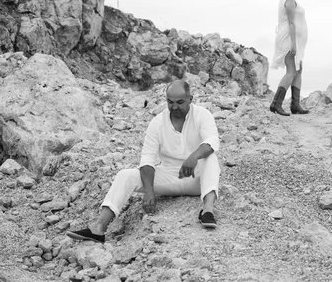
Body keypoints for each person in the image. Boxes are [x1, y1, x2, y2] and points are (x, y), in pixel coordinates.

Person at [66, 80, 221, 243]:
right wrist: (149, 191)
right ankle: (98, 228)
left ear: (190, 98)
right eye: (170, 102)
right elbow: (147, 158)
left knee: (211, 158)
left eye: (180, 102)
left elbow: (213, 141)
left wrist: (194, 157)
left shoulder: (202, 115)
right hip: (169, 177)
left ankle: (207, 211)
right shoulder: (157, 123)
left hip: (197, 178)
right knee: (125, 175)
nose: (174, 107)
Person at [270, 0, 309, 116]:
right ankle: (276, 103)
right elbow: (291, 23)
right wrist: (293, 44)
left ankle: (295, 104)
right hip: (289, 39)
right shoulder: (289, 0)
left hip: (294, 39)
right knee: (292, 71)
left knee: (299, 69)